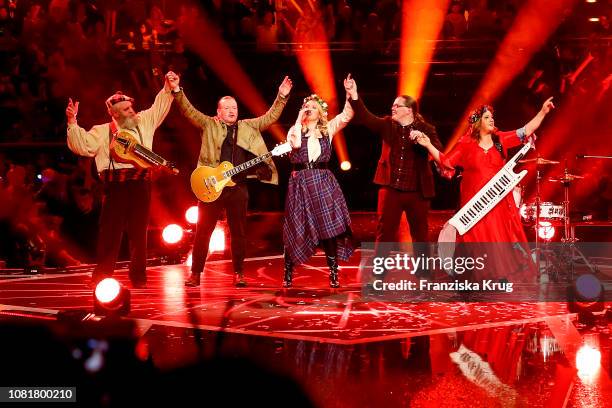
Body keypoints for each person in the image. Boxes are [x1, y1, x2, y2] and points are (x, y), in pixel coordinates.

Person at [416, 98, 555, 281]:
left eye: (492, 117)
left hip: (496, 200)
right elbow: (446, 162)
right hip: (475, 202)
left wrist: (543, 112)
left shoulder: (501, 140)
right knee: (475, 238)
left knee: (498, 237)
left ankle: (497, 274)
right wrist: (428, 145)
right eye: (487, 117)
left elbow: (527, 130)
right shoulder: (466, 145)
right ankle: (475, 276)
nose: (492, 120)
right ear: (477, 123)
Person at [176, 76, 293, 287]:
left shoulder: (247, 126)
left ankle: (239, 273)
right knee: (203, 231)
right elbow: (188, 111)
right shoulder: (208, 124)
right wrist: (177, 90)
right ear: (218, 112)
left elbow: (269, 117)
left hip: (238, 186)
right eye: (227, 108)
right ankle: (195, 274)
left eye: (235, 108)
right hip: (211, 184)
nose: (232, 111)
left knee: (238, 232)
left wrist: (282, 96)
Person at [66, 72, 178, 288]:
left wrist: (168, 86)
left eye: (131, 107)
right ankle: (102, 276)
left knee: (138, 232)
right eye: (126, 109)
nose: (132, 111)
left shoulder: (144, 122)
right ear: (115, 114)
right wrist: (72, 121)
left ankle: (138, 278)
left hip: (140, 184)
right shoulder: (101, 131)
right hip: (115, 186)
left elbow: (159, 106)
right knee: (110, 231)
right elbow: (82, 146)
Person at [345, 75, 443, 277]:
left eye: (397, 106)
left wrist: (426, 143)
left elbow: (440, 155)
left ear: (409, 110)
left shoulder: (426, 129)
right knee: (385, 234)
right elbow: (365, 116)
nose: (393, 108)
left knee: (420, 235)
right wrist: (354, 94)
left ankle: (424, 275)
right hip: (390, 189)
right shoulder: (388, 125)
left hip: (418, 192)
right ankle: (379, 276)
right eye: (393, 105)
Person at [282, 76, 355, 289]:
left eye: (313, 106)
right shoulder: (295, 130)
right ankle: (288, 273)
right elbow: (294, 143)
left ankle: (333, 273)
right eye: (306, 106)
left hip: (323, 182)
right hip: (300, 183)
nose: (309, 108)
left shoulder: (327, 130)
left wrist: (349, 93)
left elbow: (347, 115)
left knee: (328, 228)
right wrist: (298, 119)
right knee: (295, 227)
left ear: (321, 112)